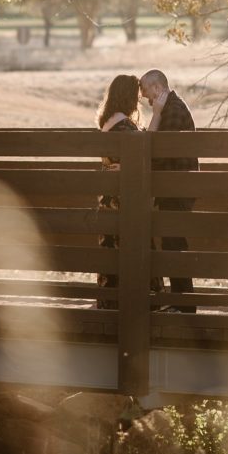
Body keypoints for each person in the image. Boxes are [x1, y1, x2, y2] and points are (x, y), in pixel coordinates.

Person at [139, 68, 197, 313]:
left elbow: (160, 156)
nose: (147, 100)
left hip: (177, 188)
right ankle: (181, 301)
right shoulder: (171, 108)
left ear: (156, 88)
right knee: (173, 243)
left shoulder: (172, 111)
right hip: (175, 188)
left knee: (175, 245)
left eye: (146, 94)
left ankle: (184, 304)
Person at [94, 74, 141, 309]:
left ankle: (109, 298)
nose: (138, 101)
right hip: (123, 197)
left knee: (111, 247)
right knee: (132, 245)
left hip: (107, 195)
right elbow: (142, 155)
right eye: (135, 95)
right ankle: (135, 301)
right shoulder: (124, 126)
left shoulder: (107, 121)